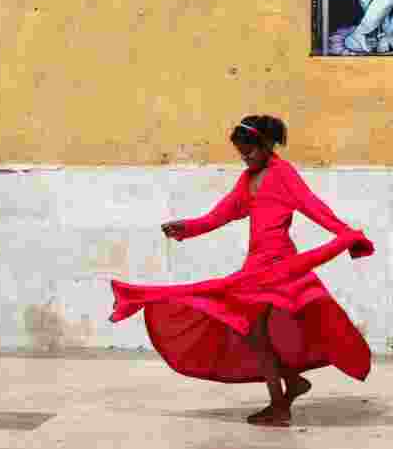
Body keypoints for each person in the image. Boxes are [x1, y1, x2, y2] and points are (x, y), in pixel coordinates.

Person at [110, 115, 375, 427]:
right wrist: (188, 227)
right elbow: (220, 214)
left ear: (265, 145)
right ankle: (289, 385)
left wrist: (348, 235)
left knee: (253, 332)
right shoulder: (248, 179)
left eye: (250, 150)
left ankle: (280, 404)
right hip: (255, 269)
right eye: (241, 152)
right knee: (250, 332)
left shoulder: (283, 173)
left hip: (279, 268)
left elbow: (314, 207)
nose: (245, 157)